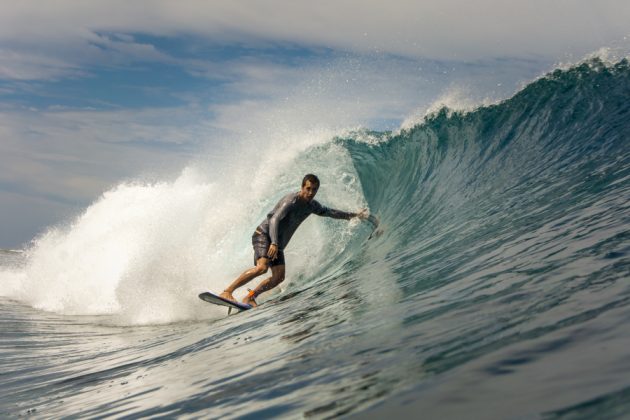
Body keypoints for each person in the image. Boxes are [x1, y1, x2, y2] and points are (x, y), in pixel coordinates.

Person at [220, 173, 369, 307]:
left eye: (314, 190)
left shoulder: (312, 206)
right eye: (308, 188)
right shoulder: (291, 201)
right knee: (262, 268)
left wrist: (353, 215)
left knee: (279, 277)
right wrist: (273, 242)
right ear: (302, 187)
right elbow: (274, 219)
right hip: (264, 235)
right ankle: (227, 291)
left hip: (276, 244)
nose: (311, 193)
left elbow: (330, 212)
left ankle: (251, 297)